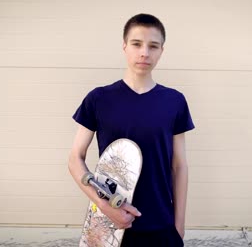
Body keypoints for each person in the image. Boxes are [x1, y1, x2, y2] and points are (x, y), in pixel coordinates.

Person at [68, 13, 194, 247]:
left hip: (161, 224)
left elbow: (179, 166)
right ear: (125, 47)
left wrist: (179, 225)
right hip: (110, 226)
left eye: (153, 46)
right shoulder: (98, 99)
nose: (144, 52)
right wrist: (106, 207)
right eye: (137, 44)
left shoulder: (174, 101)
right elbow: (75, 159)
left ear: (161, 51)